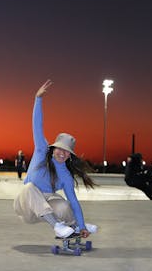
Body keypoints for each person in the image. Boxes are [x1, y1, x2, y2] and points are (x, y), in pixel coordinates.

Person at [14, 80, 97, 239]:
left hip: (45, 209)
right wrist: (38, 99)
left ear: (69, 156)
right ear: (53, 148)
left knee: (64, 204)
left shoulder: (66, 175)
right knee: (29, 187)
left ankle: (77, 227)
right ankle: (57, 226)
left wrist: (82, 224)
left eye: (66, 152)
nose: (62, 153)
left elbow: (73, 202)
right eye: (60, 149)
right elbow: (37, 125)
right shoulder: (41, 151)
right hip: (25, 207)